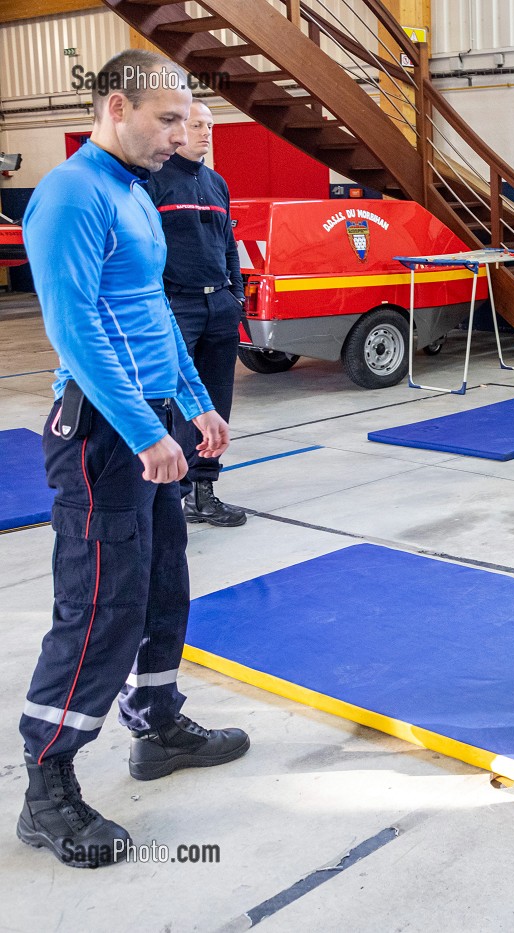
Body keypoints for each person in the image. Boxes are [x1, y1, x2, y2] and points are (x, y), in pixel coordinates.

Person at [17, 50, 250, 869]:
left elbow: (150, 315)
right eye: (166, 120)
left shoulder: (136, 194)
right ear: (116, 107)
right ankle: (46, 786)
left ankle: (157, 725)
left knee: (161, 584)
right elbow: (75, 330)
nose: (180, 135)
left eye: (187, 120)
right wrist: (144, 432)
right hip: (101, 437)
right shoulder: (73, 193)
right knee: (101, 607)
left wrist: (193, 405)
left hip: (152, 422)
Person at [145, 99, 246, 527]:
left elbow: (227, 247)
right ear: (177, 130)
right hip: (177, 306)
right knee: (174, 401)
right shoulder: (154, 182)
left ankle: (204, 492)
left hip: (219, 305)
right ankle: (173, 493)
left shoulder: (217, 183)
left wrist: (235, 297)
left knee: (215, 401)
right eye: (197, 125)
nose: (206, 133)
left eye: (210, 126)